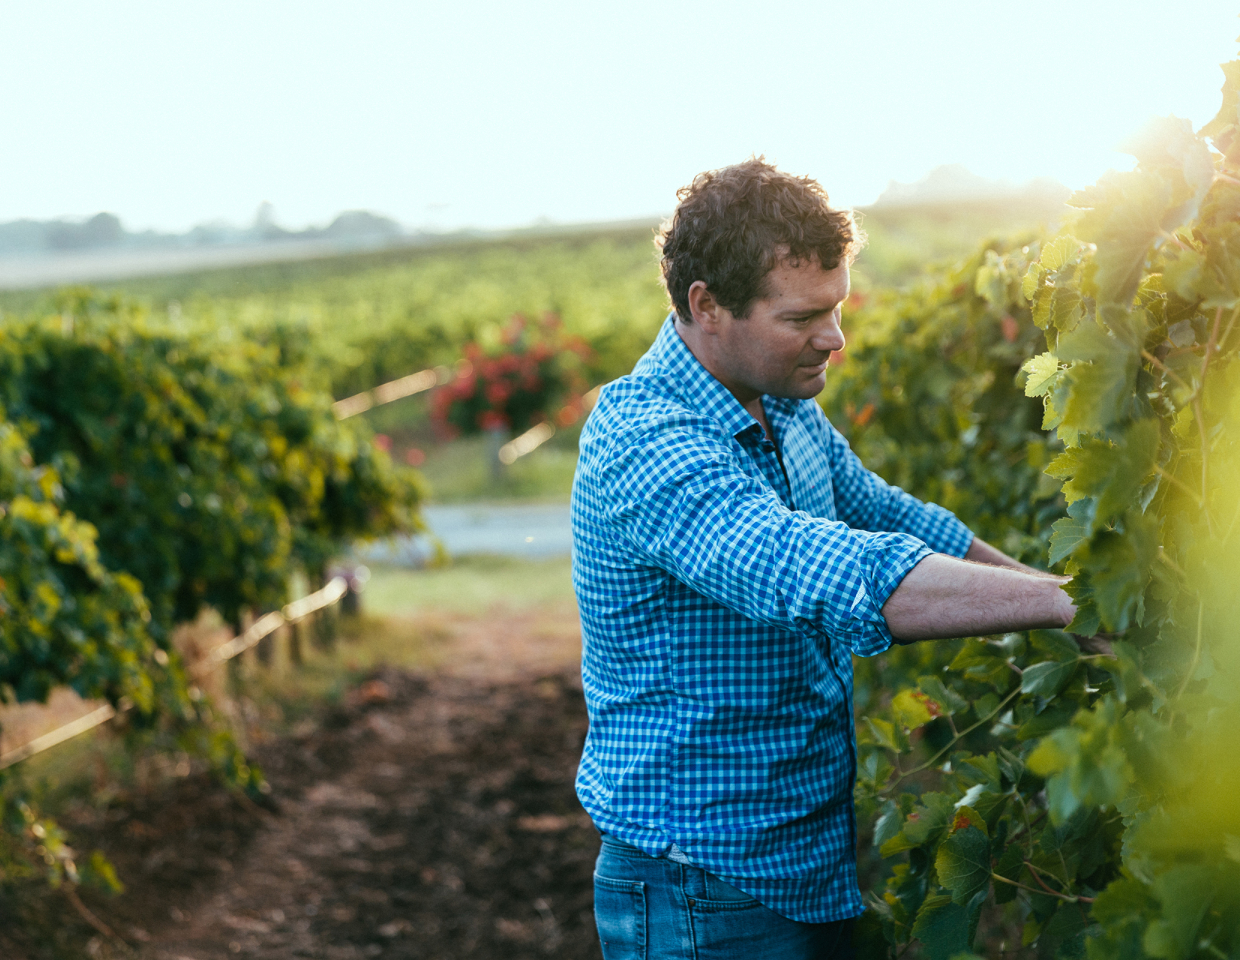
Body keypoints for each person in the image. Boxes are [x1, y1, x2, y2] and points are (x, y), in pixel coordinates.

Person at [569, 158, 1075, 960]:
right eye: (803, 316)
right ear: (707, 305)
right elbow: (809, 567)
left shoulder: (779, 398)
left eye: (837, 308)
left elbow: (890, 517)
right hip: (703, 887)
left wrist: (1064, 591)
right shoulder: (646, 442)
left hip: (803, 864)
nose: (834, 338)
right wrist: (1070, 608)